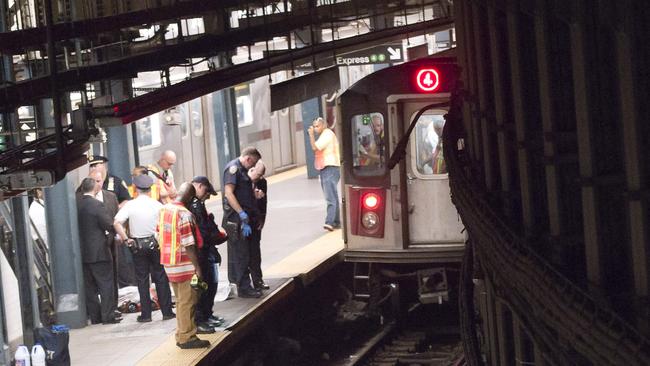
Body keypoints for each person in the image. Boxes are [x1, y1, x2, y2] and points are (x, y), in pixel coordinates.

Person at [113, 174, 175, 323]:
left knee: (142, 279)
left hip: (137, 246)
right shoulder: (157, 205)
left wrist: (126, 239)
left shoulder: (130, 205)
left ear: (135, 188)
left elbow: (116, 223)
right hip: (156, 244)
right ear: (150, 188)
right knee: (160, 277)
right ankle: (167, 312)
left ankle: (146, 315)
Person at [158, 183, 210, 349]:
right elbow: (189, 243)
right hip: (184, 264)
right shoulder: (184, 214)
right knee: (188, 301)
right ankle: (187, 337)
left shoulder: (164, 210)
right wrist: (198, 268)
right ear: (189, 197)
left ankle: (181, 334)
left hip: (169, 263)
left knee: (181, 301)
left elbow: (158, 233)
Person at [77, 177, 121, 324]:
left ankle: (95, 317)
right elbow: (109, 224)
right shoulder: (97, 205)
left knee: (89, 287)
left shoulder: (76, 205)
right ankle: (107, 316)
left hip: (82, 253)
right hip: (100, 252)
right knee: (106, 284)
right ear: (94, 188)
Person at [222, 147, 263, 298]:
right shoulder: (233, 169)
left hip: (246, 219)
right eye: (253, 163)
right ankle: (244, 288)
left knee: (249, 252)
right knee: (241, 254)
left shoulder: (243, 170)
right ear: (248, 159)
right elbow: (229, 193)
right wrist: (241, 213)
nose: (253, 167)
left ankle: (248, 285)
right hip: (237, 220)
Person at [190, 176, 227, 331]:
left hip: (206, 250)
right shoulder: (193, 205)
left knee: (211, 284)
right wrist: (216, 236)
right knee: (203, 286)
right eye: (206, 191)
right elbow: (202, 230)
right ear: (198, 186)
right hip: (200, 252)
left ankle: (207, 314)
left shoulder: (199, 204)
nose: (207, 196)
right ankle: (201, 318)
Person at [308, 117, 341, 231]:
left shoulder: (327, 134)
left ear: (323, 125)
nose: (315, 128)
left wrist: (311, 135)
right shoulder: (325, 135)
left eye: (317, 126)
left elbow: (314, 147)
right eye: (314, 126)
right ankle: (336, 221)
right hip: (329, 167)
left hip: (330, 167)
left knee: (330, 196)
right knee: (333, 196)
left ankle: (330, 222)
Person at [248, 160, 269, 291]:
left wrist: (262, 219)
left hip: (255, 220)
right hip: (242, 221)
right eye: (259, 173)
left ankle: (257, 280)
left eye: (262, 174)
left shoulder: (262, 182)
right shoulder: (242, 179)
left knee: (255, 251)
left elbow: (264, 202)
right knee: (243, 253)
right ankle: (242, 283)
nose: (260, 177)